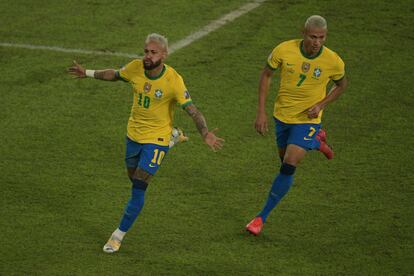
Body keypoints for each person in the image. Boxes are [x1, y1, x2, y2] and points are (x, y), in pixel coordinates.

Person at [68, 33, 224, 252]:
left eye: (153, 52)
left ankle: (117, 235)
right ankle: (174, 137)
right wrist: (88, 72)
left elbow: (193, 111)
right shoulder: (135, 68)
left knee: (139, 185)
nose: (148, 56)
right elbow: (115, 75)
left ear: (164, 55)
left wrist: (205, 133)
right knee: (132, 178)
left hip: (156, 139)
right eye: (146, 51)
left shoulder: (173, 80)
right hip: (133, 135)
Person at [246, 15, 348, 235]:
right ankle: (315, 142)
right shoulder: (284, 50)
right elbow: (266, 75)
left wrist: (321, 105)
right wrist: (261, 112)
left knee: (289, 163)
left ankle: (260, 218)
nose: (317, 42)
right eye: (313, 37)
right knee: (283, 159)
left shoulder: (333, 61)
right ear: (304, 32)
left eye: (321, 38)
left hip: (308, 119)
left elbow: (341, 85)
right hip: (281, 117)